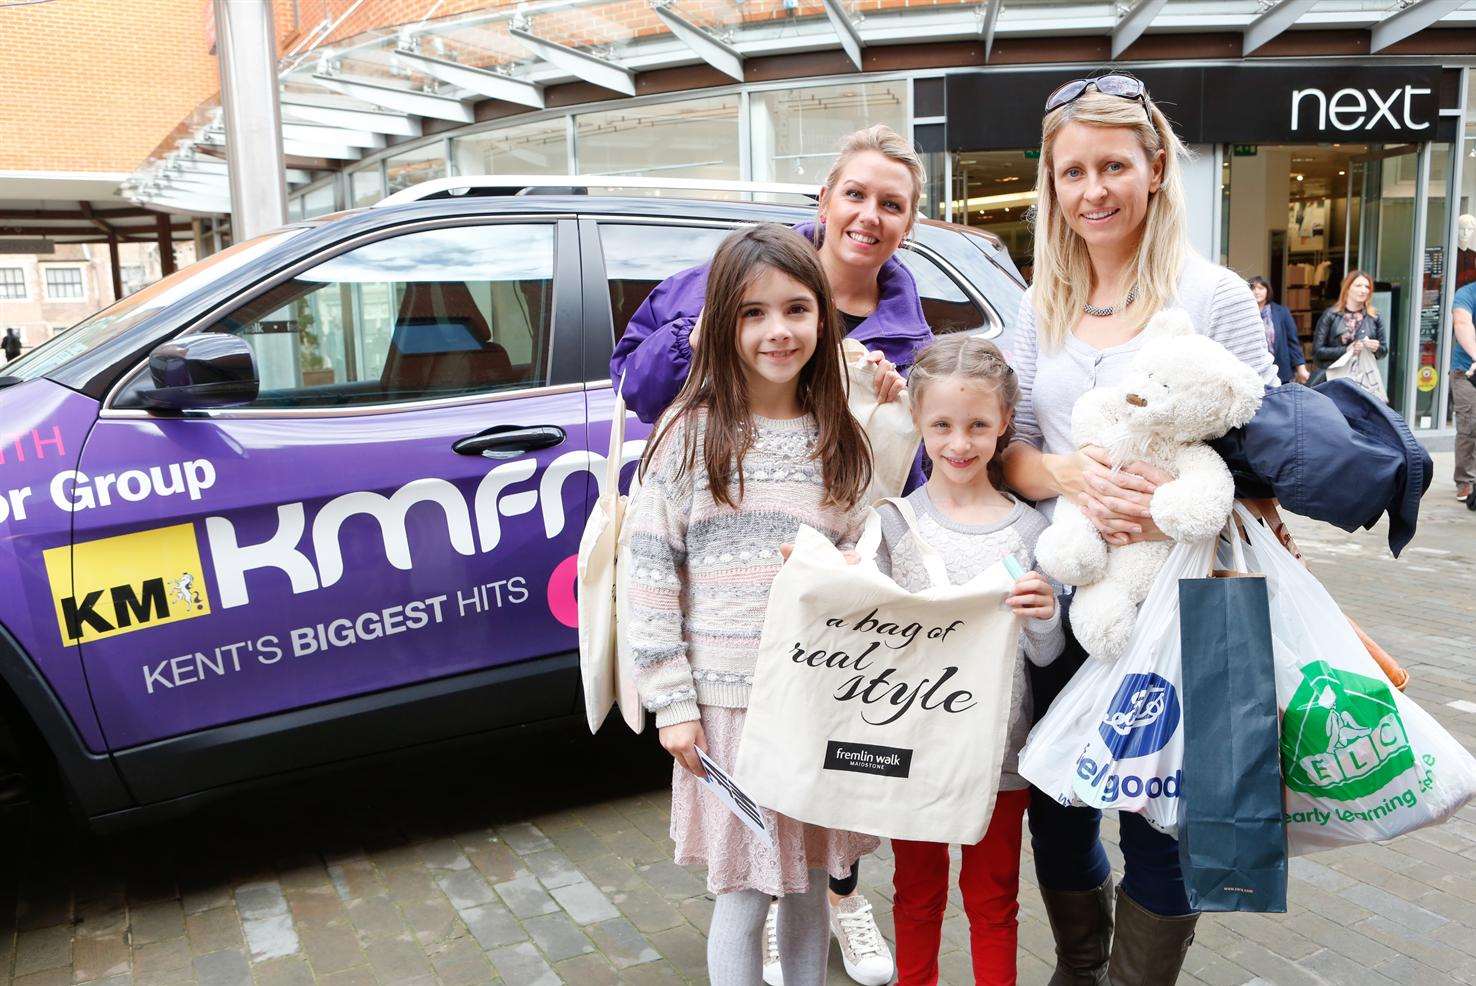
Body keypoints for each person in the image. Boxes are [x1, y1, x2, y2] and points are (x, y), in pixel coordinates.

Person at [613, 124, 924, 986]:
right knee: (745, 896)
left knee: (810, 891)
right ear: (723, 322)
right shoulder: (690, 434)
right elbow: (647, 580)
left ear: (824, 320)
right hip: (728, 713)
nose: (777, 331)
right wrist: (672, 703)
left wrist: (852, 545)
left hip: (815, 701)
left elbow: (875, 544)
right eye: (752, 313)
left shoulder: (841, 435)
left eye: (796, 311)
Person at [998, 74, 1277, 984]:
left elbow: (1268, 442)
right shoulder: (1040, 303)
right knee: (1060, 800)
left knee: (1164, 810)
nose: (1093, 191)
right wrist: (1072, 474)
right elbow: (1013, 453)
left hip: (1181, 600)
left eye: (1113, 165)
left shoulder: (1213, 294)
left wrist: (1169, 492)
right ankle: (1079, 968)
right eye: (1071, 173)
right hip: (1071, 595)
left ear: (1156, 169)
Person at [870, 334, 1064, 986]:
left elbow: (1046, 653)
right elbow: (869, 645)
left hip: (998, 754)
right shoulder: (894, 524)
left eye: (978, 425)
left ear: (1004, 423)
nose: (960, 442)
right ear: (919, 423)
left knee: (994, 901)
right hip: (913, 756)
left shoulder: (1029, 531)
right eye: (943, 425)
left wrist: (1044, 614)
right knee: (917, 896)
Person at [1313, 270, 1386, 373]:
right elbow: (1317, 352)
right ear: (1347, 288)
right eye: (1358, 286)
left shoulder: (1374, 316)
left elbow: (1383, 350)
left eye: (1367, 287)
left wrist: (1376, 348)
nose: (1363, 290)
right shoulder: (1331, 315)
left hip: (1364, 376)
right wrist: (1346, 350)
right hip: (1335, 375)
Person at [1248, 275, 1309, 384]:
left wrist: (1301, 367)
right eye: (1253, 288)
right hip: (1252, 369)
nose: (1256, 292)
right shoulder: (1244, 313)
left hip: (1280, 369)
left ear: (1268, 291)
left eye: (1261, 288)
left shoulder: (1281, 312)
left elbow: (1292, 342)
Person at [1452, 279, 1476, 506]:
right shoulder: (1467, 294)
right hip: (1466, 372)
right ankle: (1465, 481)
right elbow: (1461, 322)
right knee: (1470, 424)